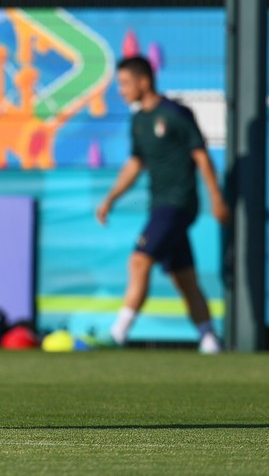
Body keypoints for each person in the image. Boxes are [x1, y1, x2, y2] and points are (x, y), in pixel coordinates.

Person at [96, 55, 229, 354]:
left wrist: (216, 198)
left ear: (144, 81)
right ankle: (209, 338)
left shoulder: (175, 114)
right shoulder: (138, 121)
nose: (121, 90)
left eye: (125, 83)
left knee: (139, 261)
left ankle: (118, 333)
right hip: (159, 205)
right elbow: (135, 164)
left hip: (178, 203)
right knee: (185, 278)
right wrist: (110, 199)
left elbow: (201, 156)